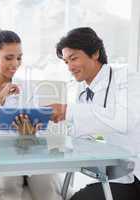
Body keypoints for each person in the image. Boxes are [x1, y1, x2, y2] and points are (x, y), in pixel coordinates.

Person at [0, 30, 63, 200]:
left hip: (30, 155)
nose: (15, 64)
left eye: (19, 58)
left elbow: (37, 132)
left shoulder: (28, 88)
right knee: (8, 186)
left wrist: (31, 132)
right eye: (9, 58)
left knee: (48, 185)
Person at [51, 27, 140, 199]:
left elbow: (126, 121)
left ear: (95, 54)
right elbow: (93, 136)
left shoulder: (127, 79)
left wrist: (66, 111)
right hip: (111, 174)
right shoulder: (82, 90)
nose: (69, 67)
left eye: (73, 58)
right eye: (66, 62)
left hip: (135, 174)